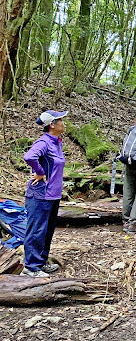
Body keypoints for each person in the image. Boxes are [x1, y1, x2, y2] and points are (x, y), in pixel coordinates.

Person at [21, 110, 68, 277]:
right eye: (60, 120)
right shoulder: (44, 142)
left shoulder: (57, 142)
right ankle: (31, 267)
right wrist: (40, 172)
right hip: (40, 194)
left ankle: (40, 263)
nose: (64, 123)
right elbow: (29, 157)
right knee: (36, 231)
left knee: (47, 230)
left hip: (53, 195)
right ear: (52, 125)